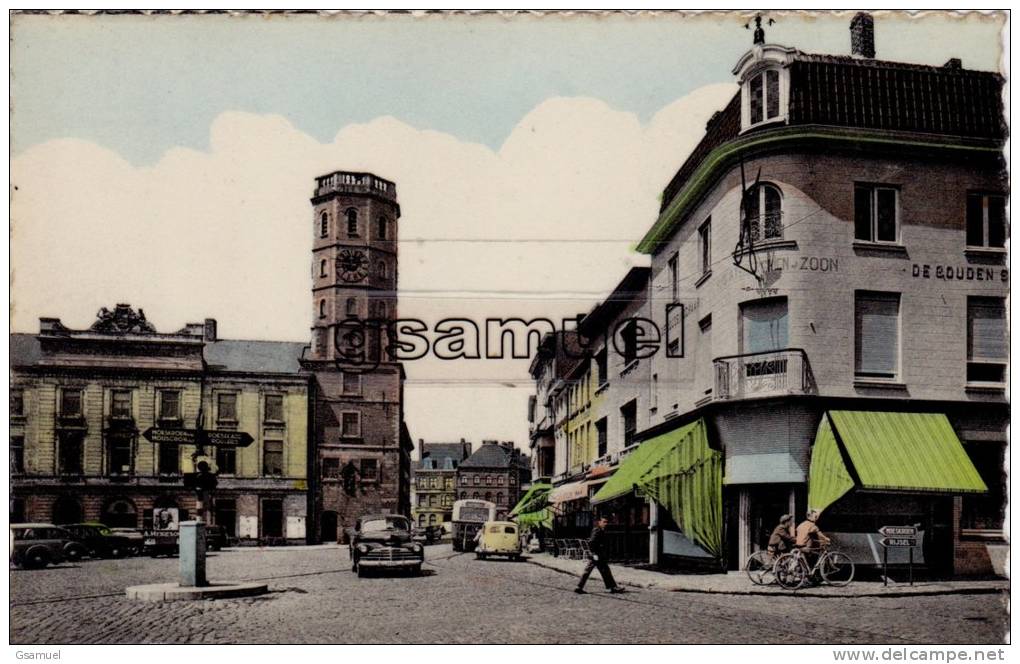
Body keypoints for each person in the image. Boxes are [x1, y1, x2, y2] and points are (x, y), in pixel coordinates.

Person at [575, 515, 624, 594]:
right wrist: (594, 553)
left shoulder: (601, 530)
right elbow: (591, 542)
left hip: (599, 555)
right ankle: (579, 587)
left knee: (605, 571)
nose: (606, 524)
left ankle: (612, 587)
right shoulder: (597, 530)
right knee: (591, 571)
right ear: (599, 522)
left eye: (606, 522)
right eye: (604, 522)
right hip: (597, 555)